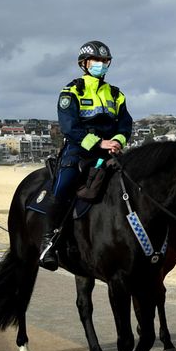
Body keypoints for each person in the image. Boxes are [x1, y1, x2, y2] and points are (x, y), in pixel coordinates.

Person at [38, 40, 133, 270]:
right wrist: (100, 143)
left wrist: (117, 143)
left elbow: (126, 124)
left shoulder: (116, 94)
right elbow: (70, 127)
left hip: (111, 151)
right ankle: (49, 242)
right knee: (63, 186)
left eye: (104, 61)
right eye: (97, 61)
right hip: (79, 151)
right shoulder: (71, 91)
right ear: (84, 63)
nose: (101, 64)